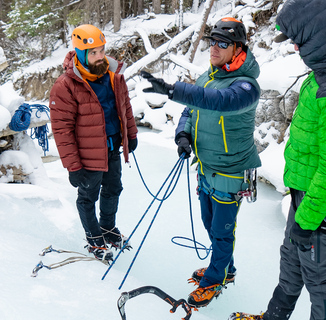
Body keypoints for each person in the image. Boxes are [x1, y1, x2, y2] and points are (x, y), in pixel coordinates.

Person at [229, 0, 326, 319]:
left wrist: (306, 222)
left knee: (317, 277)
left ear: (318, 34)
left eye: (299, 39)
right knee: (292, 263)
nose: (295, 46)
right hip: (305, 193)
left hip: (321, 203)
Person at [141, 17, 261, 308]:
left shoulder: (246, 86)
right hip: (205, 168)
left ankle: (214, 280)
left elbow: (218, 101)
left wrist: (172, 89)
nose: (214, 48)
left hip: (232, 172)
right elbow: (191, 110)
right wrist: (183, 133)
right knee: (211, 225)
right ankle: (226, 269)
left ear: (238, 49)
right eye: (212, 42)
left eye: (223, 43)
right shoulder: (206, 78)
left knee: (221, 231)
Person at [49, 24, 138, 263]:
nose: (100, 56)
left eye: (101, 50)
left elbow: (124, 107)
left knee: (113, 189)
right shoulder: (65, 86)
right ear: (80, 53)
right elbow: (62, 130)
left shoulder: (113, 76)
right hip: (86, 156)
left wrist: (131, 134)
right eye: (93, 53)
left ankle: (108, 229)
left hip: (112, 148)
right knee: (88, 197)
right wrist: (73, 166)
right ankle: (94, 238)